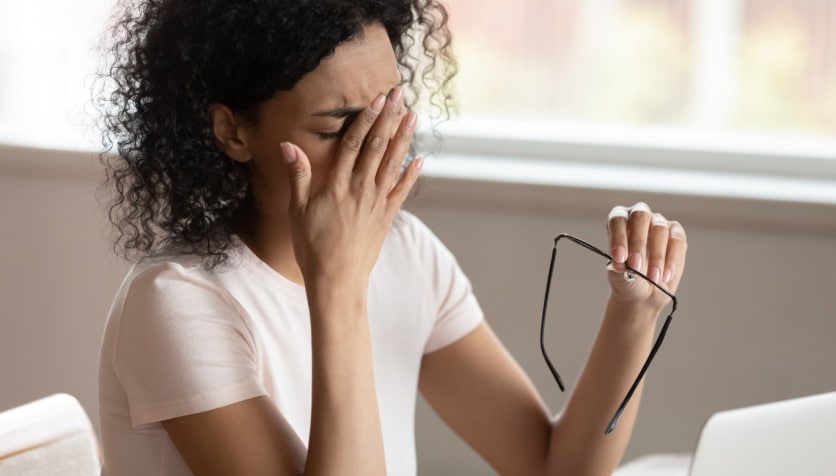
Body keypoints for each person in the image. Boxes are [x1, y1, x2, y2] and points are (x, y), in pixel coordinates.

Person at [96, 1, 688, 475]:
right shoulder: (176, 302)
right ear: (232, 132)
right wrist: (340, 281)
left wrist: (635, 311)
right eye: (340, 128)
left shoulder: (406, 253)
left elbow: (552, 466)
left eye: (389, 112)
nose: (383, 146)